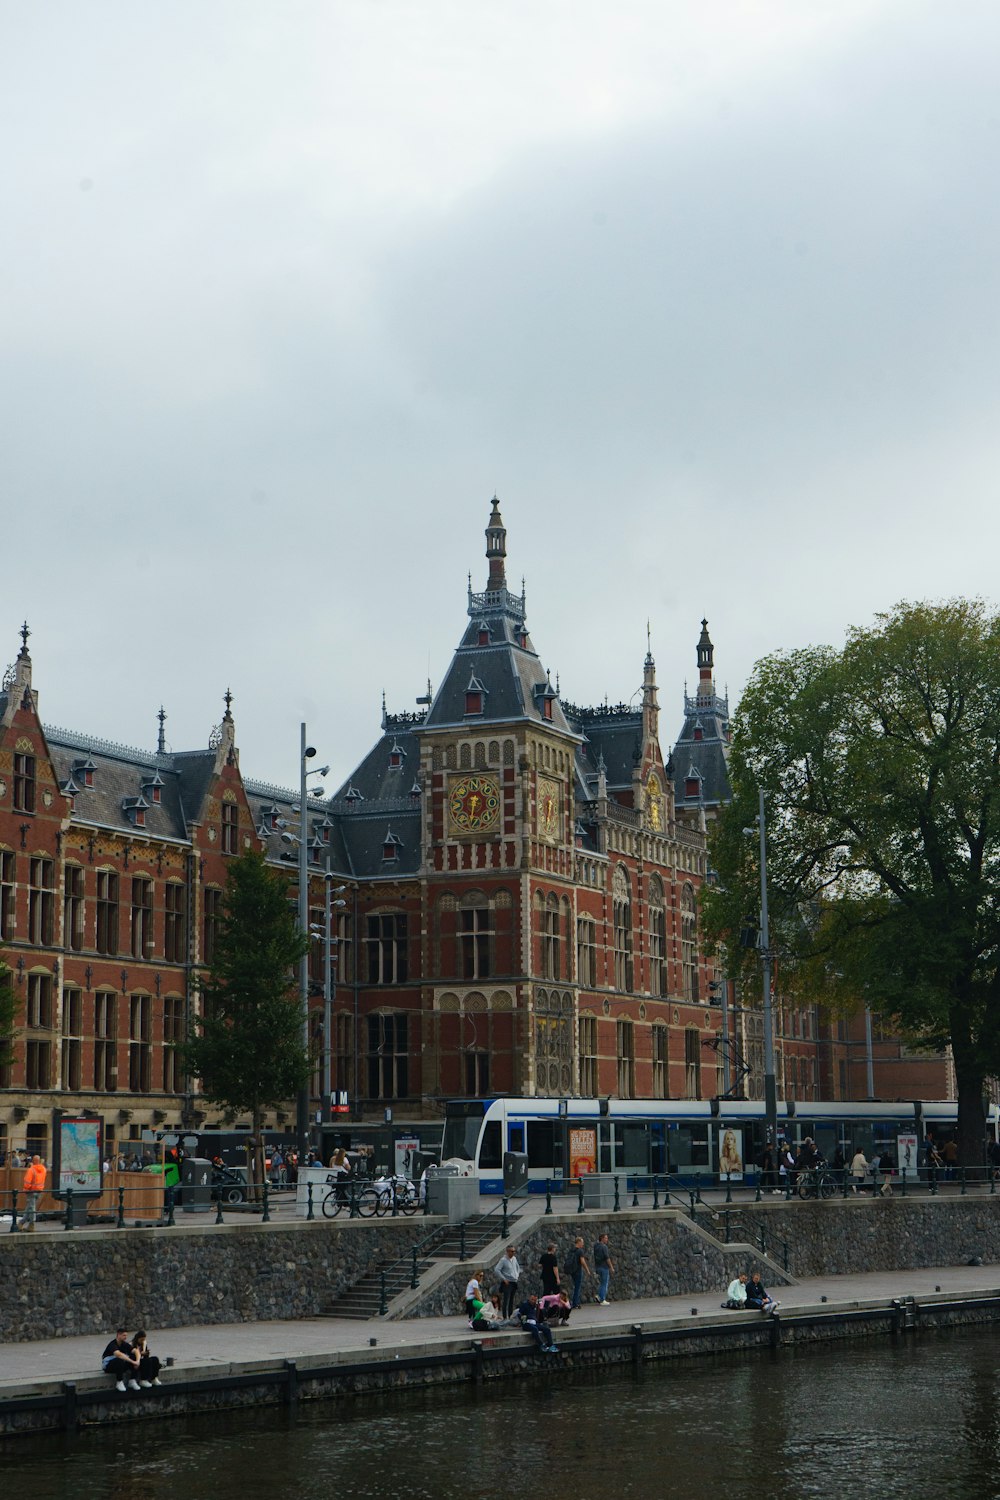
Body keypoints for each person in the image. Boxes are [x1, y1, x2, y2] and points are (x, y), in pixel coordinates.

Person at [101, 1328, 141, 1392]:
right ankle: (119, 1382)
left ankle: (132, 1380)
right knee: (119, 1360)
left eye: (126, 1335)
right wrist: (133, 1362)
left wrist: (137, 1361)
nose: (126, 1337)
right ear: (118, 1335)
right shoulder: (112, 1344)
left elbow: (136, 1351)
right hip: (109, 1366)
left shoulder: (124, 1344)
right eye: (124, 1335)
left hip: (120, 1365)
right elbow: (118, 1354)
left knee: (134, 1356)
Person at [19, 1154, 47, 1232]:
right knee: (30, 1207)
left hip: (31, 1191)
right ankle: (21, 1223)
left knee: (31, 1208)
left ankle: (32, 1224)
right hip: (39, 1191)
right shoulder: (44, 1169)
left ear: (34, 1161)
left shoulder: (31, 1170)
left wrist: (26, 1189)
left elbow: (27, 1182)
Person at [494, 1245, 521, 1319]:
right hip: (507, 1282)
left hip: (514, 1281)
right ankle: (505, 1316)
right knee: (506, 1299)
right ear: (508, 1252)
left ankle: (510, 1315)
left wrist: (517, 1275)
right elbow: (497, 1270)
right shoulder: (503, 1260)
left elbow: (517, 1267)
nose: (513, 1253)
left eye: (514, 1251)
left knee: (512, 1299)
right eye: (512, 1251)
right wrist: (504, 1279)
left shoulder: (514, 1259)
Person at [564, 1237, 590, 1310]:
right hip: (578, 1271)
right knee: (577, 1287)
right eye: (582, 1242)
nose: (583, 1244)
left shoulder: (571, 1250)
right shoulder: (580, 1251)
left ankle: (574, 1302)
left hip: (572, 1271)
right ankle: (575, 1303)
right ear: (578, 1242)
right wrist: (587, 1270)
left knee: (575, 1286)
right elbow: (582, 1262)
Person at [593, 1233, 615, 1305]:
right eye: (606, 1238)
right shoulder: (604, 1247)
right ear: (602, 1238)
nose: (607, 1239)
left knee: (602, 1283)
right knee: (604, 1284)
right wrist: (611, 1267)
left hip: (598, 1267)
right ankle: (602, 1299)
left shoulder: (596, 1246)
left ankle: (599, 1296)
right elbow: (607, 1258)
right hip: (604, 1267)